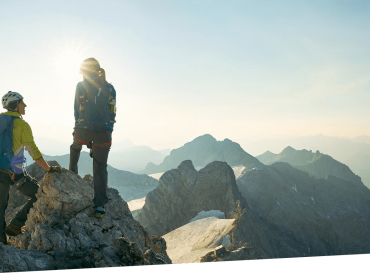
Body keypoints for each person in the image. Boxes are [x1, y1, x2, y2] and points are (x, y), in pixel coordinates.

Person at [0, 91, 61, 245]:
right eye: (22, 103)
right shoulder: (22, 125)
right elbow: (33, 151)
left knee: (0, 207)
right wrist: (48, 169)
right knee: (41, 194)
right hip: (15, 173)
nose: (25, 105)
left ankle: (1, 242)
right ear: (15, 105)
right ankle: (15, 225)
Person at [69, 58, 116, 218]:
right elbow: (113, 111)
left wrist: (78, 127)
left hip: (83, 131)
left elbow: (77, 110)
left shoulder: (80, 86)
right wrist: (108, 129)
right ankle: (100, 206)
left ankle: (72, 174)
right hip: (104, 134)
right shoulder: (110, 88)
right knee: (100, 167)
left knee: (75, 148)